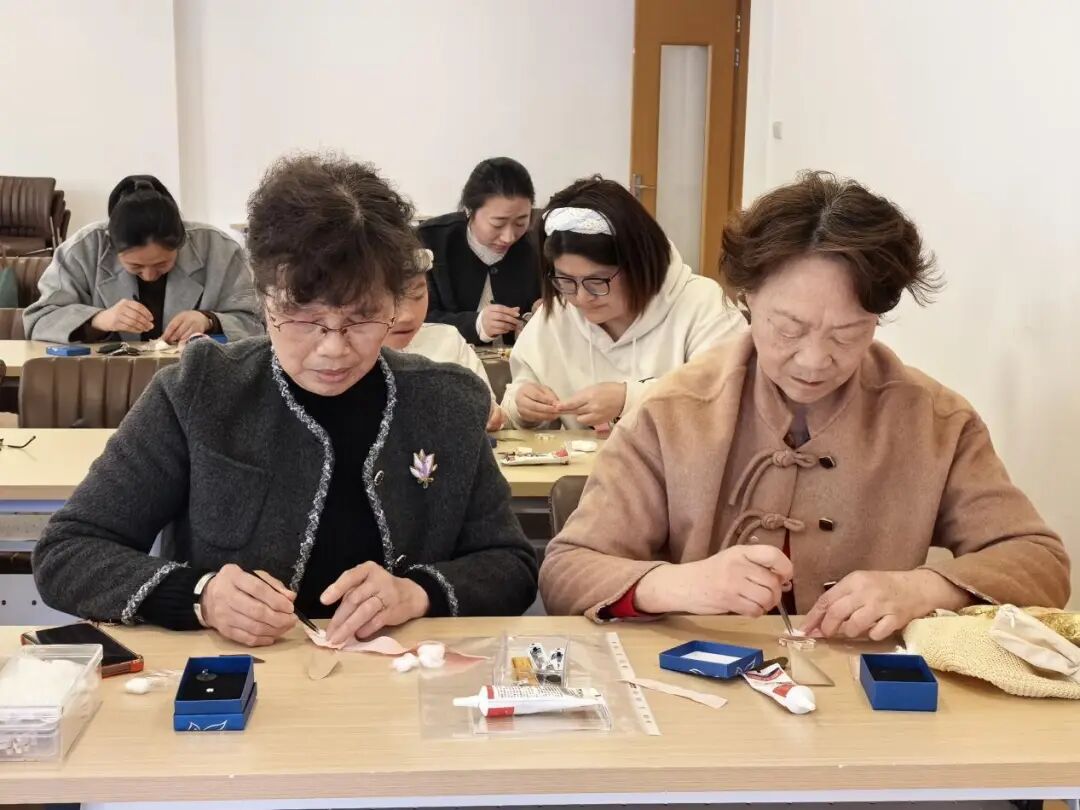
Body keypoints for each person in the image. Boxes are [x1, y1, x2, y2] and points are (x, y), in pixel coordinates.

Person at [33, 154, 538, 647]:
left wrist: (418, 593)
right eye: (302, 318)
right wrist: (200, 596)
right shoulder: (200, 391)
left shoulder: (447, 400)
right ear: (263, 299)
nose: (333, 348)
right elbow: (67, 552)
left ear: (395, 304)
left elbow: (510, 565)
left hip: (404, 686)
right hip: (241, 685)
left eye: (362, 317)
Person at [540, 171, 1069, 636]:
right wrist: (678, 584)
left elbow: (1040, 561)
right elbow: (567, 569)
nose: (814, 361)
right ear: (746, 299)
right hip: (696, 688)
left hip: (867, 696)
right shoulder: (673, 411)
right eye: (789, 329)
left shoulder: (934, 421)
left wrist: (926, 589)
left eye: (847, 334)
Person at [502, 176, 745, 431]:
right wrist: (523, 407)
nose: (581, 297)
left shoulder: (700, 304)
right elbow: (512, 405)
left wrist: (629, 399)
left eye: (597, 281)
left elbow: (727, 398)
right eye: (566, 280)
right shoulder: (557, 314)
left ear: (639, 264)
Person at [23, 175, 262, 344]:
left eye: (162, 264)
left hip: (198, 380)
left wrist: (209, 321)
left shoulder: (219, 250)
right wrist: (99, 319)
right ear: (112, 246)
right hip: (104, 383)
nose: (149, 276)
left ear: (181, 242)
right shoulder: (82, 250)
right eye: (136, 267)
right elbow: (38, 321)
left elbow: (258, 323)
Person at [419, 157, 540, 345]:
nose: (509, 237)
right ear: (469, 210)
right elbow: (416, 318)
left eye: (520, 222)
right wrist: (474, 325)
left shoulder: (538, 241)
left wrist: (540, 314)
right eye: (498, 224)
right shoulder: (429, 241)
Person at [384, 249, 506, 431]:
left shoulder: (447, 340)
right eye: (390, 299)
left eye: (418, 295)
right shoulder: (349, 354)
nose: (407, 316)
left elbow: (489, 408)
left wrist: (491, 415)